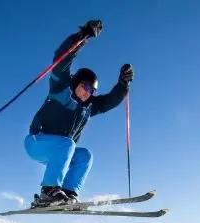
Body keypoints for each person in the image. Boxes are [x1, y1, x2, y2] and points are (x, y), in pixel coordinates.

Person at [25, 19, 134, 207]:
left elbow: (109, 101)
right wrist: (83, 36)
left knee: (84, 155)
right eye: (85, 87)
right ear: (76, 83)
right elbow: (61, 59)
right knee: (68, 144)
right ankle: (49, 190)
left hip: (60, 151)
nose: (87, 92)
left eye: (91, 90)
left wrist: (123, 86)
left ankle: (67, 193)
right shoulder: (61, 90)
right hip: (37, 142)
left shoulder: (88, 107)